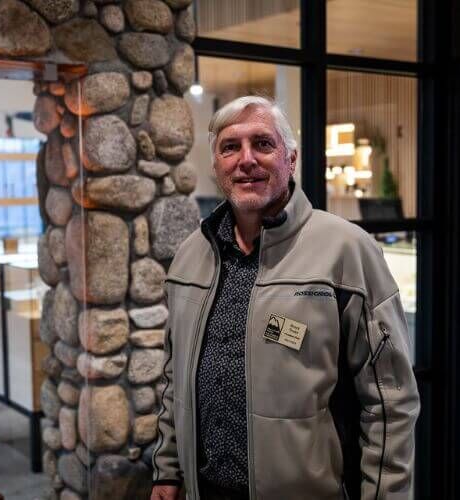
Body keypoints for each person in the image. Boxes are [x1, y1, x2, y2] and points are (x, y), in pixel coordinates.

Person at [150, 96, 420, 500]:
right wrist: (167, 471)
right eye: (230, 147)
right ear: (216, 165)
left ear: (290, 159)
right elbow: (176, 381)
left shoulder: (346, 250)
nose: (246, 160)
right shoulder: (191, 255)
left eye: (263, 143)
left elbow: (389, 401)